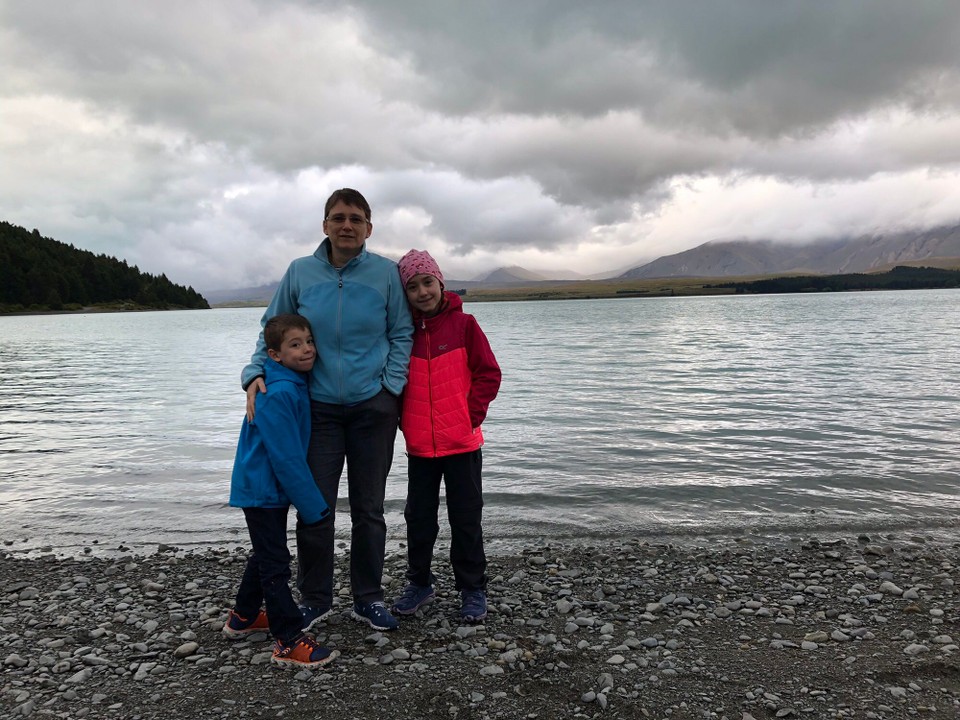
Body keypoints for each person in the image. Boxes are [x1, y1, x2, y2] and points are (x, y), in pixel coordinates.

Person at [242, 188, 413, 632]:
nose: (347, 225)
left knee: (368, 509)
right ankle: (315, 598)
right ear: (325, 225)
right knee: (314, 507)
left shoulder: (386, 274)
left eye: (356, 219)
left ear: (368, 228)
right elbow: (271, 330)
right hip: (316, 410)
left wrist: (389, 388)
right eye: (338, 217)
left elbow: (401, 334)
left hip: (372, 408)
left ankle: (368, 597)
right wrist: (253, 373)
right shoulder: (300, 272)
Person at [390, 250, 501, 623]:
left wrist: (470, 416)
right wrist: (406, 424)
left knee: (466, 518)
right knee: (418, 519)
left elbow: (489, 374)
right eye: (413, 286)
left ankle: (472, 589)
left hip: (463, 444)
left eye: (427, 283)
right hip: (421, 447)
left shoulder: (465, 326)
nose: (422, 292)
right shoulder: (402, 333)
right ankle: (419, 584)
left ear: (441, 283)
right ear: (404, 293)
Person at [223, 313, 338, 668]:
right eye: (295, 344)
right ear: (274, 355)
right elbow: (286, 457)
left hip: (265, 488)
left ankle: (242, 617)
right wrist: (314, 506)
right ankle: (288, 640)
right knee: (275, 563)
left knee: (265, 552)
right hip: (262, 489)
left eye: (308, 341)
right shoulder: (278, 391)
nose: (306, 350)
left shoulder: (289, 382)